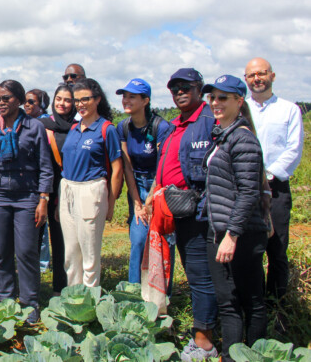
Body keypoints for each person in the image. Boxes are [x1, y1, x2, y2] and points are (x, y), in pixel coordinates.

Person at [146, 68, 218, 361]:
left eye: (185, 86)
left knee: (202, 277)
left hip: (199, 212)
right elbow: (164, 166)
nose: (179, 92)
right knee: (192, 273)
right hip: (175, 211)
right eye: (174, 88)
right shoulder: (176, 125)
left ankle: (204, 343)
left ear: (199, 88)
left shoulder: (209, 120)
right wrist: (153, 194)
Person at [0, 80, 53, 324]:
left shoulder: (34, 127)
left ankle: (30, 304)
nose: (1, 102)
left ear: (18, 100)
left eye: (6, 98)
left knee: (27, 251)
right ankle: (6, 301)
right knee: (1, 251)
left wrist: (43, 200)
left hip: (27, 196)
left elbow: (45, 167)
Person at [202, 75, 269, 361]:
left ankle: (254, 354)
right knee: (227, 300)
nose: (215, 103)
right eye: (212, 97)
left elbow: (248, 193)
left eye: (223, 98)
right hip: (219, 230)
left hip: (238, 234)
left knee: (251, 300)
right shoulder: (223, 135)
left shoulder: (243, 140)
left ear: (239, 102)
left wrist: (231, 235)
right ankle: (232, 355)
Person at [244, 58, 304, 315]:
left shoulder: (289, 110)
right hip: (245, 189)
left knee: (277, 248)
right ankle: (251, 303)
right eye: (251, 75)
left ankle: (277, 306)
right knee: (248, 248)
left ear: (272, 76)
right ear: (245, 79)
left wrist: (266, 176)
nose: (257, 78)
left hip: (276, 188)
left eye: (262, 73)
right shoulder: (240, 107)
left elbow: (294, 149)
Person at [58, 78, 123, 287]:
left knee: (89, 253)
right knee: (71, 252)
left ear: (97, 99)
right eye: (77, 100)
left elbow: (117, 169)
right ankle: (74, 298)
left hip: (91, 190)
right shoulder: (75, 128)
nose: (80, 104)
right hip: (68, 188)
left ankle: (90, 300)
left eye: (85, 99)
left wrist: (110, 204)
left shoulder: (106, 129)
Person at [115, 79, 171, 284]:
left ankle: (163, 293)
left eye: (132, 97)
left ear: (145, 100)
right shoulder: (123, 127)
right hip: (137, 184)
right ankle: (133, 291)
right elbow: (127, 166)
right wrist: (137, 202)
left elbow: (163, 166)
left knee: (161, 239)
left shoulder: (161, 127)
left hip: (159, 185)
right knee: (138, 239)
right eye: (124, 96)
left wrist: (150, 202)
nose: (126, 100)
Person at [40, 84, 77, 294]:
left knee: (70, 242)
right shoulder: (43, 125)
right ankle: (48, 288)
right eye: (59, 99)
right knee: (49, 241)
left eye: (67, 100)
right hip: (48, 190)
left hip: (72, 190)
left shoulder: (80, 126)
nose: (62, 103)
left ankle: (69, 287)